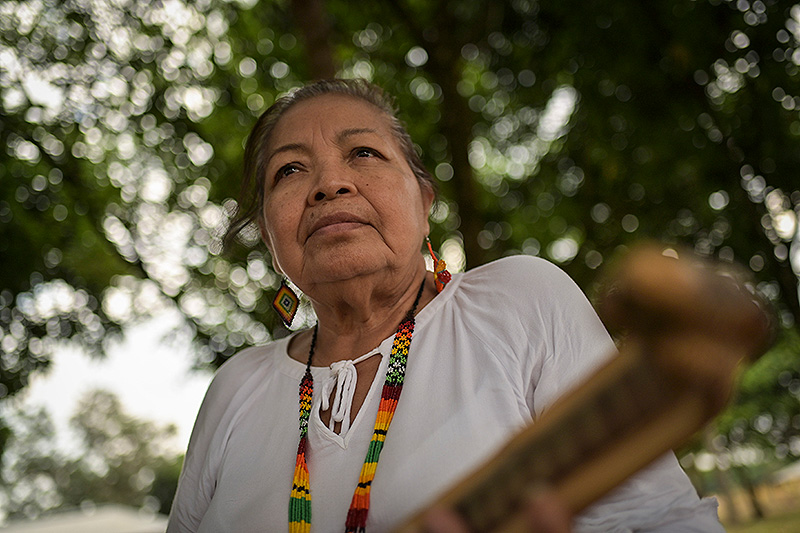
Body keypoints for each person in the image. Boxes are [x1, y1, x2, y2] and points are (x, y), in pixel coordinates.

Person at [167, 79, 724, 532]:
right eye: (289, 170)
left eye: (363, 152)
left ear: (424, 198)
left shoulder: (519, 303)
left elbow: (666, 521)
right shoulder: (234, 388)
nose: (329, 183)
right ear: (268, 232)